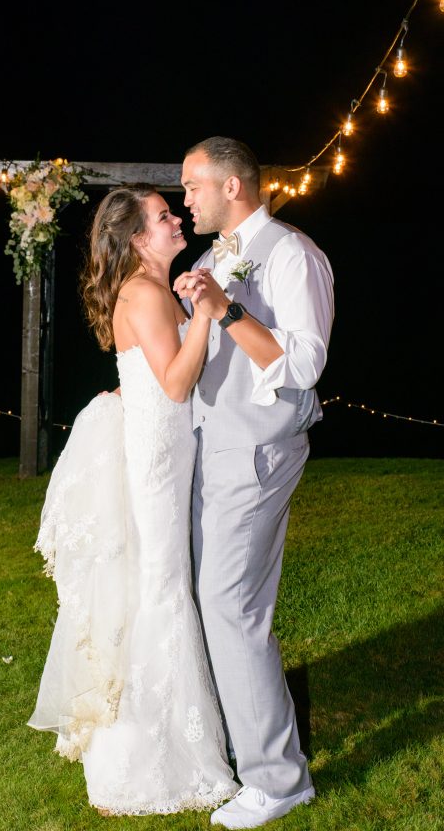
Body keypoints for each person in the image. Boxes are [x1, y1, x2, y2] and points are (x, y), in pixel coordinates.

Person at [28, 183, 238, 814]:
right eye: (163, 216)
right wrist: (205, 315)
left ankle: (165, 746)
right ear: (138, 238)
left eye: (174, 211)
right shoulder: (144, 292)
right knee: (163, 591)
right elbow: (175, 385)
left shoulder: (149, 290)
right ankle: (154, 761)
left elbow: (150, 378)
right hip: (158, 463)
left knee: (163, 587)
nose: (176, 218)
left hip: (164, 454)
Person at [173, 137, 334, 829]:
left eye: (192, 187)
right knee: (226, 608)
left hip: (260, 449)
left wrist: (229, 311)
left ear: (232, 186)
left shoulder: (295, 255)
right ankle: (251, 748)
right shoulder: (212, 259)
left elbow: (304, 366)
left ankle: (278, 779)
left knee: (230, 606)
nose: (186, 201)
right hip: (215, 445)